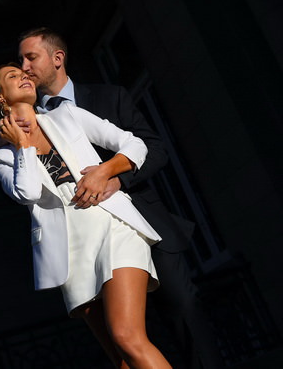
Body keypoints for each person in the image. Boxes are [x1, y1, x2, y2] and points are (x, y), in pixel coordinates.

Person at [18, 28, 225, 368]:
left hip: (143, 223)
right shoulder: (28, 124)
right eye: (20, 60)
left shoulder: (108, 97)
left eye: (31, 57)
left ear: (58, 58)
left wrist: (114, 176)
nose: (24, 66)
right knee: (122, 344)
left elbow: (154, 148)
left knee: (183, 313)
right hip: (84, 241)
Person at [0, 64, 172, 369]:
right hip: (70, 255)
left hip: (114, 227)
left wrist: (108, 171)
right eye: (12, 76)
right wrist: (22, 145)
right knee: (121, 359)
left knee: (127, 336)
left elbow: (134, 143)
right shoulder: (2, 157)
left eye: (24, 72)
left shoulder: (67, 116)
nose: (24, 76)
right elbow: (28, 192)